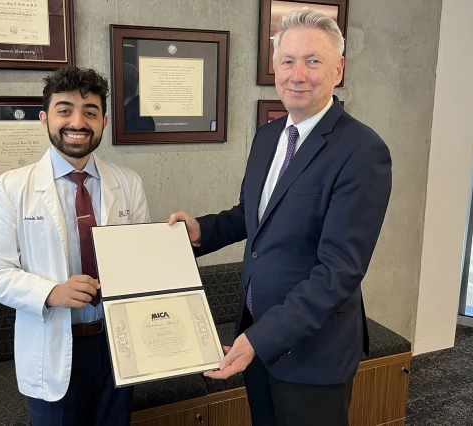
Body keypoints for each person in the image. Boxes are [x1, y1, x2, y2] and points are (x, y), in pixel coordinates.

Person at [168, 9, 392, 426]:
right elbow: (253, 216)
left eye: (313, 61)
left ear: (338, 69)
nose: (297, 74)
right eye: (287, 61)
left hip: (313, 354)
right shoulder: (270, 135)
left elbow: (339, 271)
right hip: (257, 334)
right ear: (274, 66)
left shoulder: (362, 152)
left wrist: (259, 339)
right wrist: (202, 230)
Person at [0, 67, 150, 426]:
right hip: (53, 342)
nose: (77, 121)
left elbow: (140, 265)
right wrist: (51, 292)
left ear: (103, 121)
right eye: (64, 109)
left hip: (116, 343)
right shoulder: (13, 187)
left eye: (89, 112)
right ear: (45, 119)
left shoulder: (128, 183)